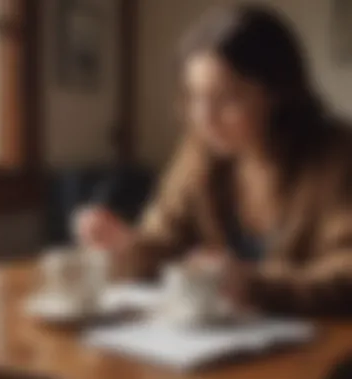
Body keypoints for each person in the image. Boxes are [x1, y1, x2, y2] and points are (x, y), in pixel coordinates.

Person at [74, 5, 352, 315]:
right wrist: (127, 247)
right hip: (221, 346)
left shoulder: (336, 156)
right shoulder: (200, 154)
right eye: (194, 96)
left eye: (227, 98)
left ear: (276, 92)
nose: (205, 118)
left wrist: (256, 285)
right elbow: (165, 240)